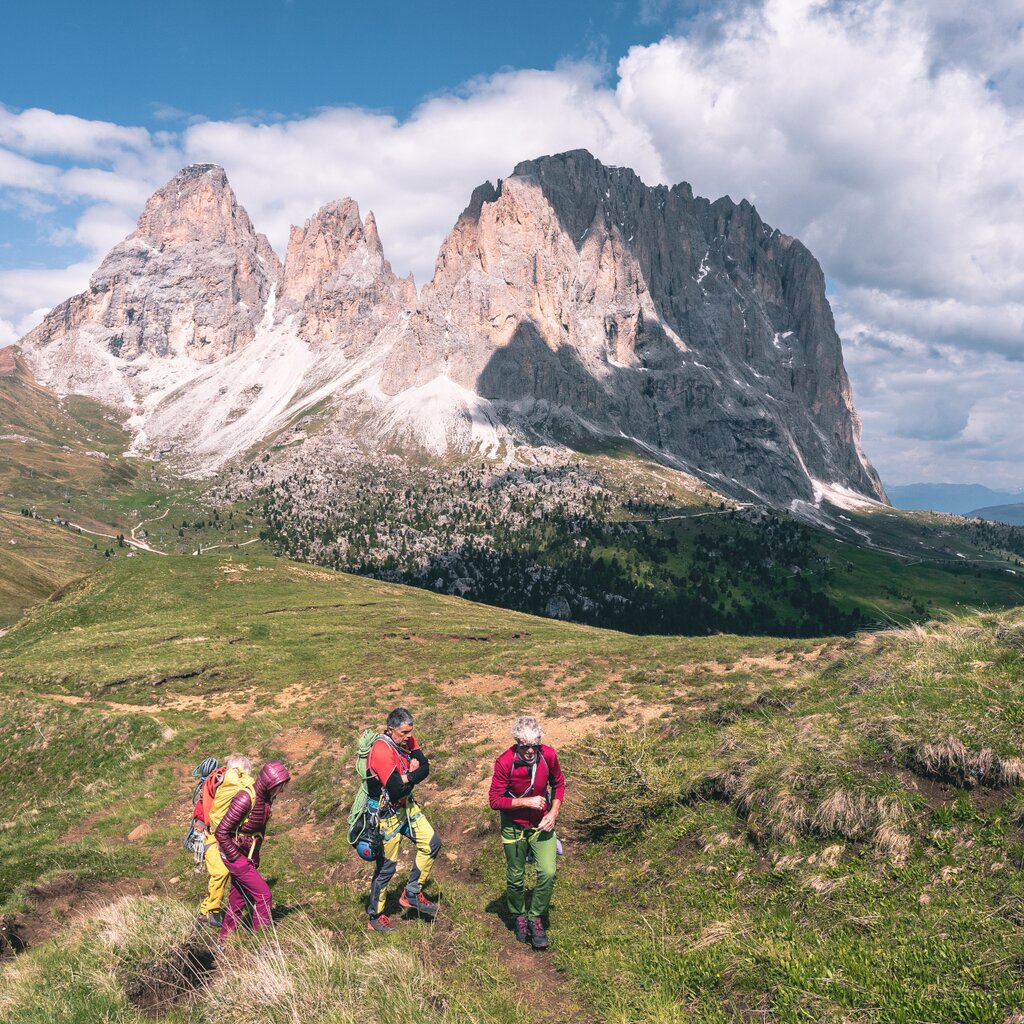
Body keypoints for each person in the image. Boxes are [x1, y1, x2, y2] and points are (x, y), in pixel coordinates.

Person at [488, 715, 565, 950]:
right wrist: (526, 802)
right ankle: (519, 915)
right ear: (517, 743)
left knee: (548, 871)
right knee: (515, 876)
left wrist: (553, 813)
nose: (530, 751)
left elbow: (559, 784)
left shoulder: (548, 755)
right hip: (513, 825)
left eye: (535, 745)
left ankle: (535, 916)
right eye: (525, 746)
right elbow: (495, 801)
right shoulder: (504, 762)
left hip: (542, 824)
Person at [365, 707, 441, 932]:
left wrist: (408, 776)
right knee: (387, 868)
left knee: (432, 843)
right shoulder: (381, 751)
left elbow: (424, 767)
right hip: (386, 816)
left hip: (406, 808)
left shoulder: (406, 739)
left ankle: (412, 892)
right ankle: (375, 916)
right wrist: (410, 775)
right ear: (390, 730)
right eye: (404, 733)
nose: (409, 737)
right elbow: (396, 789)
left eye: (410, 731)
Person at [214, 760, 291, 944]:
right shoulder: (245, 798)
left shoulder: (265, 799)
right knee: (264, 895)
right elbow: (222, 832)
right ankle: (260, 946)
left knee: (238, 900)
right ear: (268, 783)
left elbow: (257, 830)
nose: (280, 791)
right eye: (278, 787)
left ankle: (223, 943)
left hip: (246, 854)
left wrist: (254, 855)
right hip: (234, 855)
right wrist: (236, 860)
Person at [194, 755, 251, 928]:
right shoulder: (222, 782)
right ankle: (213, 911)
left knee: (221, 873)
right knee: (220, 872)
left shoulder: (217, 782)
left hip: (215, 833)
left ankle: (204, 912)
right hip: (212, 834)